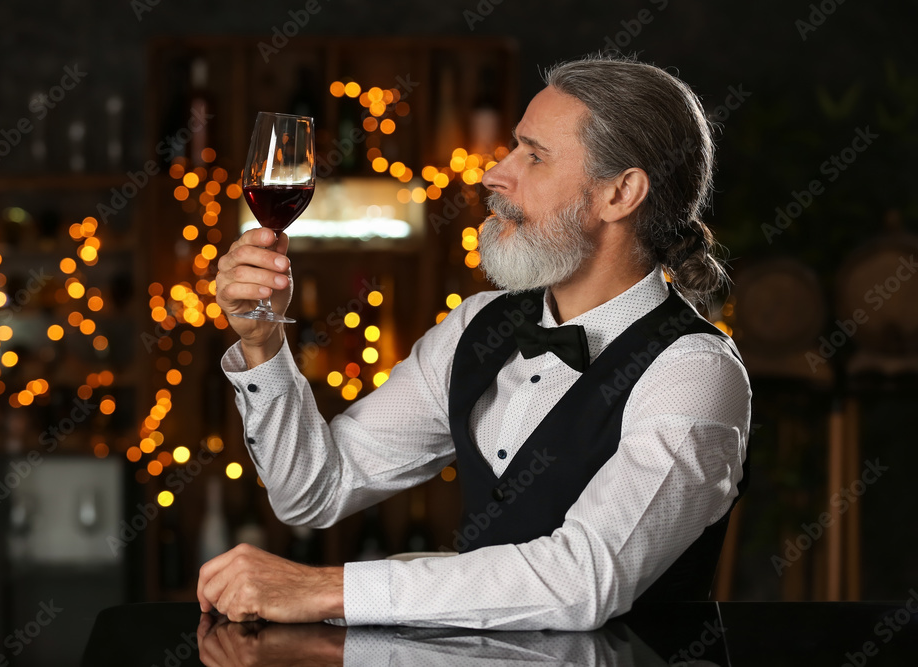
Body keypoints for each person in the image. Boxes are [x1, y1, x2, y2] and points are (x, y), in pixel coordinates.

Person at [197, 53, 752, 631]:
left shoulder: (694, 372)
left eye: (533, 156)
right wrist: (263, 345)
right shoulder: (477, 327)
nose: (495, 174)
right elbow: (315, 491)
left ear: (620, 193)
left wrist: (326, 589)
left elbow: (581, 581)